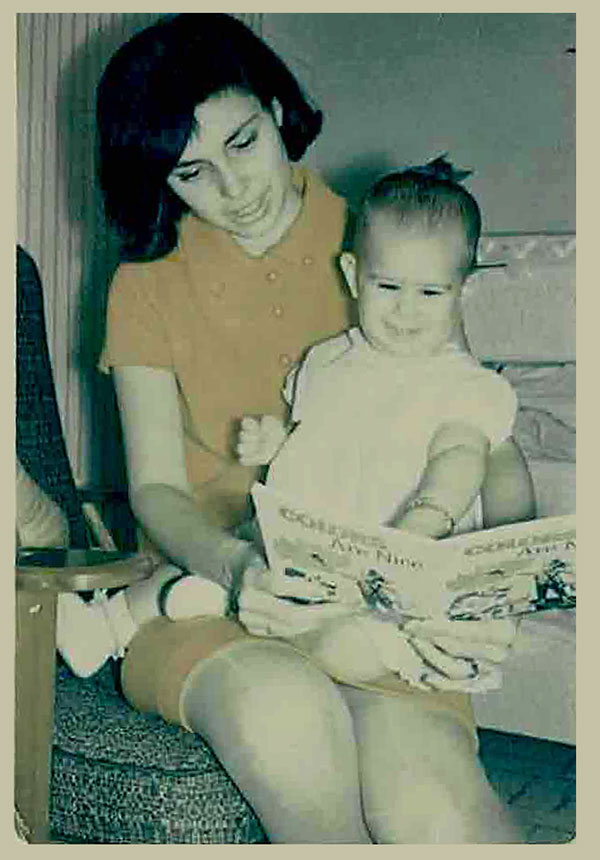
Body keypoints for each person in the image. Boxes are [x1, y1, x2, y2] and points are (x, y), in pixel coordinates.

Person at [57, 14, 534, 843]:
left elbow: (484, 439)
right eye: (192, 173)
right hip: (209, 594)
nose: (233, 188)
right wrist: (241, 568)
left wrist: (498, 588)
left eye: (243, 143)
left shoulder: (386, 235)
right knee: (292, 723)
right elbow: (158, 491)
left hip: (375, 602)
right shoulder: (145, 284)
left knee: (438, 816)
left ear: (278, 109)